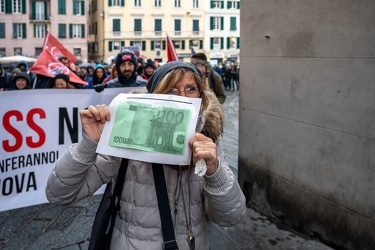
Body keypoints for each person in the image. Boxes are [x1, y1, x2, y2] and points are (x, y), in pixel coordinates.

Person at [45, 61, 246, 249]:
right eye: (171, 89)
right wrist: (88, 145)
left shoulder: (208, 137)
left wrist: (214, 171)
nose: (182, 96)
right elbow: (59, 193)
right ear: (155, 96)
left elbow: (230, 217)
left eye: (190, 88)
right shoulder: (126, 136)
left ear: (200, 96)